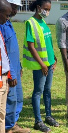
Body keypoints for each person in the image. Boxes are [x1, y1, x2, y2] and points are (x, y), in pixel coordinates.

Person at [22, 0, 58, 132]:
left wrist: (54, 58)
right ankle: (38, 121)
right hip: (40, 66)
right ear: (38, 7)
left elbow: (48, 43)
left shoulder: (43, 22)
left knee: (47, 91)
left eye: (49, 9)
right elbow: (31, 46)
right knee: (38, 92)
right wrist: (42, 64)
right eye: (45, 9)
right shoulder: (30, 23)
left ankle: (48, 116)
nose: (47, 12)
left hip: (49, 64)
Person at [0, 0, 30, 132]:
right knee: (11, 99)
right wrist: (11, 72)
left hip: (15, 67)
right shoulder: (2, 25)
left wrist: (19, 66)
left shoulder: (8, 23)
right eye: (14, 7)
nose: (16, 10)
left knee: (18, 97)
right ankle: (8, 127)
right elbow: (4, 51)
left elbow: (12, 49)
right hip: (9, 70)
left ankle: (13, 123)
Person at [0, 0, 12, 133]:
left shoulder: (1, 30)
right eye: (6, 15)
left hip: (4, 78)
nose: (8, 18)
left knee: (1, 115)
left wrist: (8, 75)